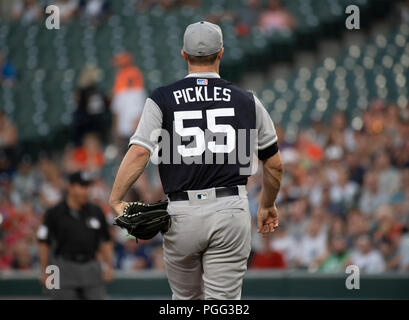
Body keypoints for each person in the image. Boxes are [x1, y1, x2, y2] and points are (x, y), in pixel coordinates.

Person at [109, 21, 283, 300]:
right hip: (230, 210)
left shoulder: (162, 98)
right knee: (221, 304)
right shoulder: (247, 100)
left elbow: (140, 152)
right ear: (221, 53)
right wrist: (267, 204)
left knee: (186, 302)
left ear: (184, 55)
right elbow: (274, 164)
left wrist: (116, 199)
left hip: (182, 213)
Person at [37, 171, 114, 300]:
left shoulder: (96, 211)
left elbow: (105, 240)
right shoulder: (54, 213)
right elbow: (44, 243)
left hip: (91, 266)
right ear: (70, 188)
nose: (86, 191)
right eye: (82, 186)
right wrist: (44, 271)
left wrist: (109, 266)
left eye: (87, 187)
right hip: (62, 267)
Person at [111, 52, 146, 155]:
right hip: (125, 134)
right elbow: (116, 113)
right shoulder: (122, 88)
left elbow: (139, 114)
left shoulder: (136, 90)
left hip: (132, 133)